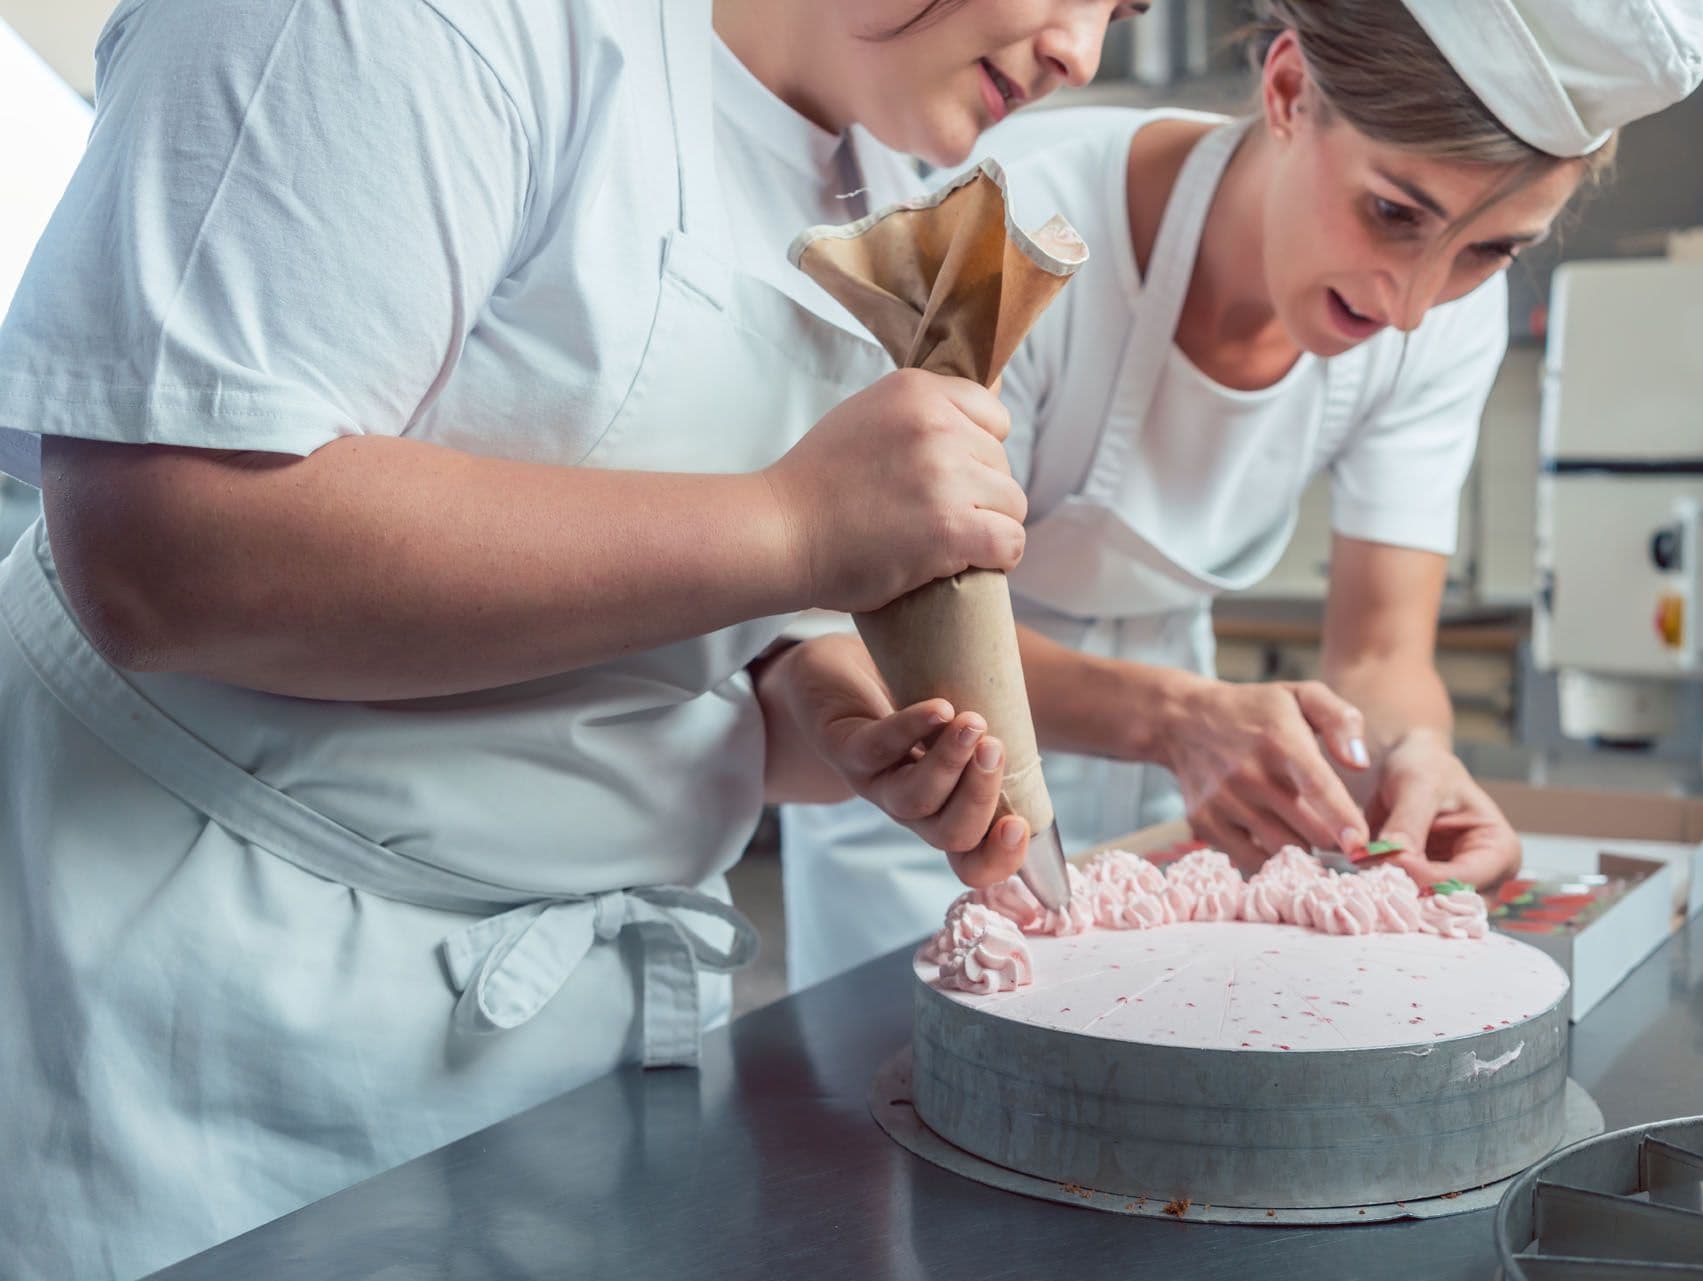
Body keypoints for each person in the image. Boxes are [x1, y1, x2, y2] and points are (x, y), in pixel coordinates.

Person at [0, 0, 1144, 1274]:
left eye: (1127, 11)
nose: (1080, 53)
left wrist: (830, 713)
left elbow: (695, 630)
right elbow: (166, 552)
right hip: (218, 1016)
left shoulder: (880, 170)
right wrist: (790, 527)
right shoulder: (405, 25)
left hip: (586, 1064)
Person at [782, 0, 1703, 989]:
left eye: (1490, 251)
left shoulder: (1447, 325)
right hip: (930, 792)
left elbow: (1383, 651)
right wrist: (1175, 720)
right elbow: (898, 607)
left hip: (1171, 812)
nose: (1409, 306)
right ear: (1287, 92)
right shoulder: (1013, 232)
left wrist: (1410, 760)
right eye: (1394, 212)